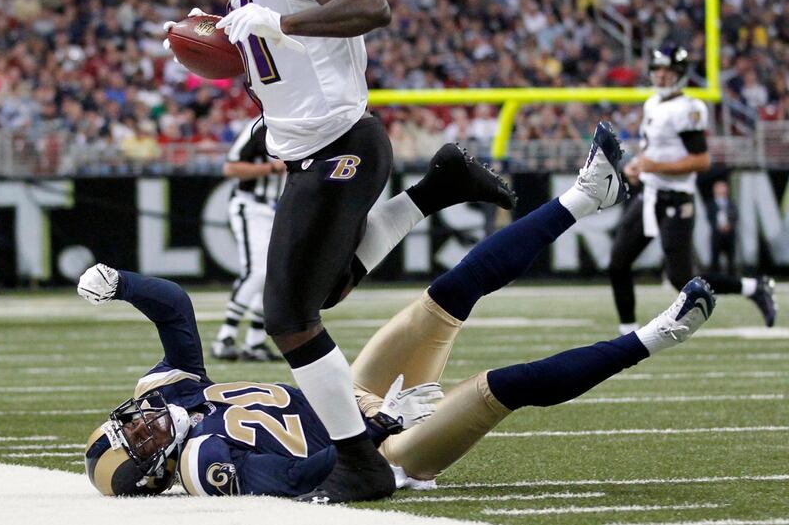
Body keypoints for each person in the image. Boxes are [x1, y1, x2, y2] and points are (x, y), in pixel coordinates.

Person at [79, 123, 714, 501]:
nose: (143, 423)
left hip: (356, 396)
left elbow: (177, 314)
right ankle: (658, 335)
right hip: (384, 454)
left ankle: (585, 195)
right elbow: (304, 476)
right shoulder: (202, 465)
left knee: (446, 294)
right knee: (500, 387)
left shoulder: (169, 394)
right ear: (154, 471)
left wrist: (123, 283)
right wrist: (378, 431)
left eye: (128, 423)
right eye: (137, 441)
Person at [160, 0, 517, 503]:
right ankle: (440, 184)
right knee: (327, 289)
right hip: (319, 152)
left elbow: (367, 4)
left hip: (339, 149)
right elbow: (287, 67)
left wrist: (281, 24)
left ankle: (359, 462)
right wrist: (226, 42)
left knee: (289, 314)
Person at [609, 46, 777, 333]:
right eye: (658, 69)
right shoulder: (653, 104)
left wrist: (652, 166)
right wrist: (637, 166)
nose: (661, 76)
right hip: (650, 195)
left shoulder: (688, 109)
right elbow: (655, 152)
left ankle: (753, 286)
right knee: (617, 263)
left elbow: (701, 160)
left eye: (668, 71)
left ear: (680, 74)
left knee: (681, 280)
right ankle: (627, 333)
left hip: (677, 199)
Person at [211, 117, 285, 362]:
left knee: (273, 274)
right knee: (257, 271)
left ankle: (255, 340)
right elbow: (230, 168)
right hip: (253, 206)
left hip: (280, 209)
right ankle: (225, 337)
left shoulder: (305, 123)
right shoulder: (261, 126)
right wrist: (272, 168)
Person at [707, 179, 738, 275]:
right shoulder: (711, 204)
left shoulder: (731, 203)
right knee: (715, 259)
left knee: (731, 260)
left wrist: (729, 225)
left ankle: (731, 280)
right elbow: (710, 217)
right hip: (717, 235)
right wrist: (718, 227)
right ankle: (715, 279)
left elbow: (735, 216)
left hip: (729, 235)